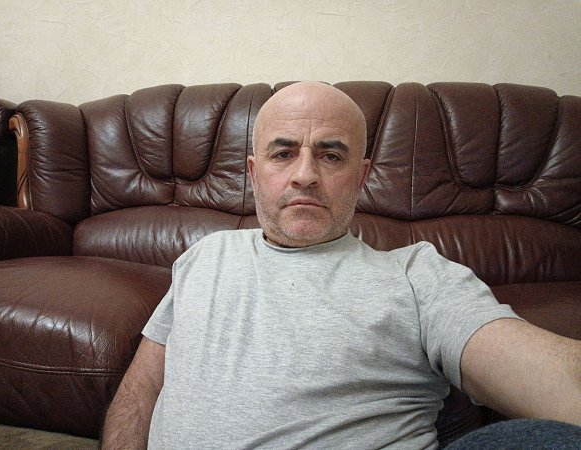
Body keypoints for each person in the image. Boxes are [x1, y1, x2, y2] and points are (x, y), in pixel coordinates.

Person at [100, 82, 581, 449]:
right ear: (253, 173)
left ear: (362, 176)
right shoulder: (205, 255)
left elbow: (545, 373)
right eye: (283, 153)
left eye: (331, 155)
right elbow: (144, 383)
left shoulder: (416, 275)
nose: (305, 175)